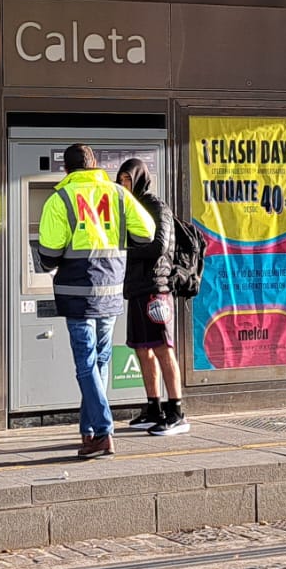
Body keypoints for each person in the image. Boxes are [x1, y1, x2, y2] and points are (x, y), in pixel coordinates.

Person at [36, 143, 155, 459]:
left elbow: (48, 254)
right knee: (100, 358)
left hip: (77, 294)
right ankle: (89, 431)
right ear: (95, 165)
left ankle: (103, 431)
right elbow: (147, 232)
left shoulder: (60, 199)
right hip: (112, 288)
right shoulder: (118, 195)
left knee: (86, 362)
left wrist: (57, 260)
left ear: (67, 170)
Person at [118, 158, 189, 437]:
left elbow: (159, 245)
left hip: (156, 288)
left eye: (126, 179)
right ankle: (154, 407)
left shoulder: (155, 206)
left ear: (138, 178)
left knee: (162, 347)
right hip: (136, 287)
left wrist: (123, 249)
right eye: (120, 180)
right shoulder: (129, 207)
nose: (122, 184)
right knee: (141, 348)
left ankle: (177, 411)